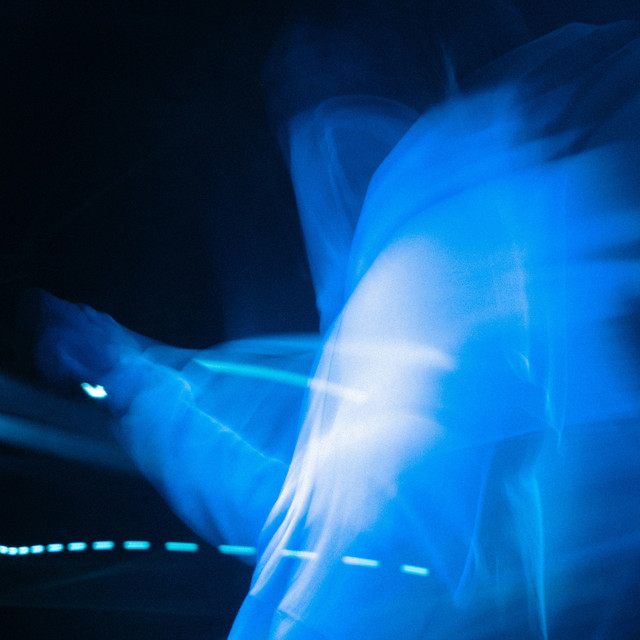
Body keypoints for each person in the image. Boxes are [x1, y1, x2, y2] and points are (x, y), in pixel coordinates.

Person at [31, 12, 640, 640]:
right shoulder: (387, 320)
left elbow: (595, 501)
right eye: (296, 113)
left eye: (325, 100)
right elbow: (304, 518)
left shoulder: (500, 239)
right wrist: (125, 373)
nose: (311, 151)